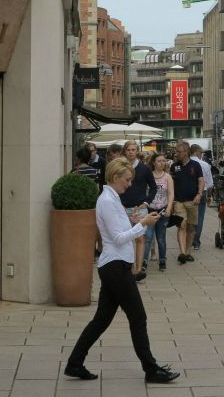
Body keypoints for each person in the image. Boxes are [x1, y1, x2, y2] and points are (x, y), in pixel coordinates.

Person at [64, 158, 180, 384]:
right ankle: (151, 369)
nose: (129, 184)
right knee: (138, 316)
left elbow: (117, 230)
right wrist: (142, 224)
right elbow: (117, 238)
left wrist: (133, 221)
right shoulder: (107, 200)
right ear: (115, 178)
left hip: (114, 265)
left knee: (101, 320)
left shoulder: (112, 198)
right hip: (115, 266)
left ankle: (74, 363)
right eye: (127, 180)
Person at [119, 141, 156, 281]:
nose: (130, 152)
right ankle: (129, 267)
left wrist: (146, 202)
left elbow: (153, 187)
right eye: (128, 149)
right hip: (123, 208)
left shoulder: (144, 168)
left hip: (139, 208)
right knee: (126, 239)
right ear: (124, 151)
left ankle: (138, 269)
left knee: (140, 238)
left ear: (137, 151)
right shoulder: (121, 168)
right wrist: (118, 204)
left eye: (133, 149)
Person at [169, 141, 203, 263]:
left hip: (192, 201)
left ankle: (188, 251)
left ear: (186, 152)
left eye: (178, 151)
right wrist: (171, 201)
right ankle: (182, 252)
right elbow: (170, 183)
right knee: (181, 225)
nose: (176, 153)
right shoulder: (174, 166)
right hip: (179, 201)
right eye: (176, 151)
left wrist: (199, 194)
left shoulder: (196, 165)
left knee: (190, 227)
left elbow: (201, 181)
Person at [143, 153, 173, 272]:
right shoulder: (149, 176)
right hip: (150, 210)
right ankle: (144, 260)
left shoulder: (167, 177)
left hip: (162, 210)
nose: (162, 163)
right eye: (159, 161)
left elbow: (171, 194)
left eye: (164, 161)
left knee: (161, 237)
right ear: (154, 163)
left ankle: (162, 260)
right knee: (148, 237)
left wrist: (169, 208)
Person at [190, 144, 214, 250]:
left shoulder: (186, 164)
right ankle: (196, 242)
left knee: (189, 218)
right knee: (199, 219)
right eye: (200, 152)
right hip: (201, 193)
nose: (201, 155)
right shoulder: (204, 164)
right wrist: (209, 196)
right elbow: (209, 183)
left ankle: (188, 240)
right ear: (197, 152)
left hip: (188, 194)